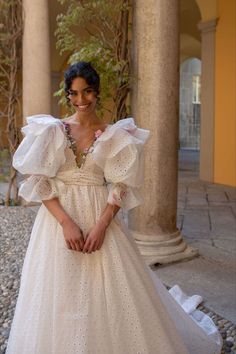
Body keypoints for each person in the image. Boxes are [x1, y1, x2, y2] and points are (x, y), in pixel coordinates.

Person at [6, 62, 222, 354]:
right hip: (58, 221)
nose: (81, 100)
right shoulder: (53, 131)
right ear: (67, 95)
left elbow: (121, 185)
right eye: (74, 93)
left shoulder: (116, 134)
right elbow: (38, 181)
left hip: (99, 216)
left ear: (97, 92)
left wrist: (102, 224)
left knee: (105, 289)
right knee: (60, 290)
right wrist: (66, 223)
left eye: (88, 92)